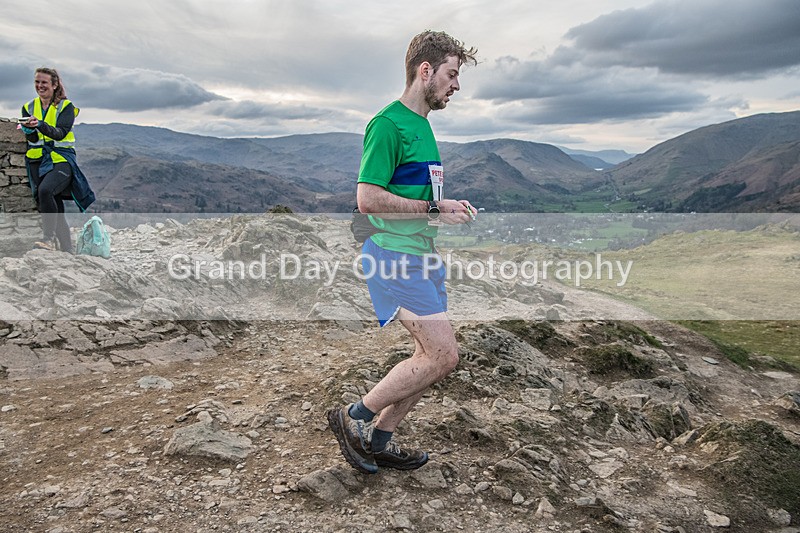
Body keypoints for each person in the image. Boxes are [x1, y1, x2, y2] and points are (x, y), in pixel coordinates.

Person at [327, 30, 478, 474]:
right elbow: (368, 198)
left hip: (421, 254)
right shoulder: (388, 124)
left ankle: (379, 441)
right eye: (451, 74)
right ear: (425, 70)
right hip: (391, 255)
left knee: (432, 361)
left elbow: (415, 201)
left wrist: (442, 213)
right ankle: (352, 417)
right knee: (443, 355)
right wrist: (434, 206)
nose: (456, 86)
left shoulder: (424, 126)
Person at [20, 67, 94, 252]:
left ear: (54, 85)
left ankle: (48, 239)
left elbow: (60, 133)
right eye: (37, 82)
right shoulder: (28, 107)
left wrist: (39, 124)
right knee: (55, 206)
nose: (39, 86)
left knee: (46, 191)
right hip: (37, 160)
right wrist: (29, 131)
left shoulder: (66, 107)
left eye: (44, 82)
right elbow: (34, 140)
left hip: (61, 158)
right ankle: (68, 250)